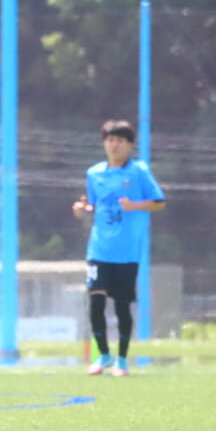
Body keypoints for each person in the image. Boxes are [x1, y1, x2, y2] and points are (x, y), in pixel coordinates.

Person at [72, 120, 165, 377]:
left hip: (127, 251)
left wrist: (135, 205)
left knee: (123, 306)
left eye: (120, 141)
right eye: (110, 140)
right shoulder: (94, 173)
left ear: (129, 145)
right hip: (99, 249)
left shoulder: (138, 171)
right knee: (96, 301)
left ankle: (122, 359)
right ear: (104, 143)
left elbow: (159, 202)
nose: (114, 145)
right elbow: (93, 206)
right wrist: (82, 210)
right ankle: (103, 355)